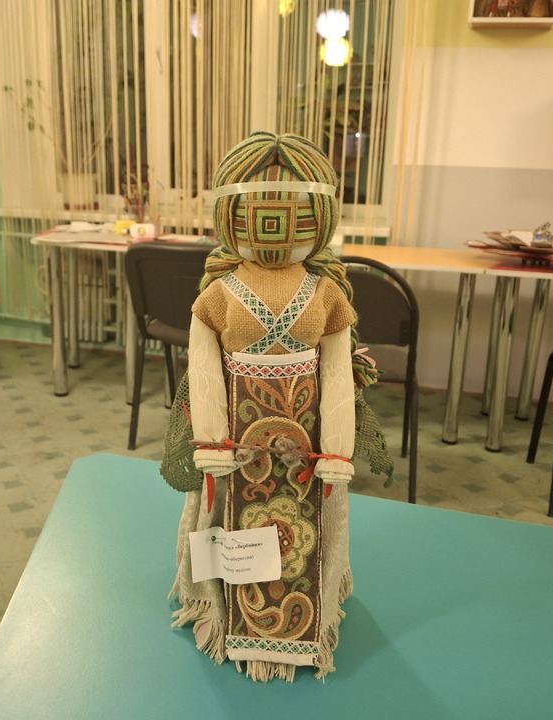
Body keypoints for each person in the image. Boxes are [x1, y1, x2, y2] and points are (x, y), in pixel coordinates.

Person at [164, 131, 391, 681]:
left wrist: (337, 449)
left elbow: (338, 374)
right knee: (230, 519)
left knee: (311, 525)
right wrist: (209, 441)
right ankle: (226, 612)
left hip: (307, 448)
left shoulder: (327, 292)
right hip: (235, 446)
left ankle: (310, 614)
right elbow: (203, 370)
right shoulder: (217, 294)